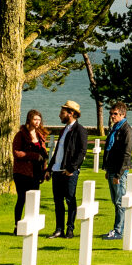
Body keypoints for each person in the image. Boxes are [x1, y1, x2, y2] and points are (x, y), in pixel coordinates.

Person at [48, 100, 88, 239]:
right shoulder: (63, 130)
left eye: (62, 112)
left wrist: (71, 168)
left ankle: (70, 229)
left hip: (69, 171)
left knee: (70, 199)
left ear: (71, 113)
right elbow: (58, 151)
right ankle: (59, 229)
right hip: (57, 170)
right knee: (58, 201)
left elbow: (82, 151)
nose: (60, 115)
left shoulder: (80, 130)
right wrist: (49, 168)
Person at [101, 102, 132, 240]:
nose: (112, 116)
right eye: (111, 113)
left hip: (119, 171)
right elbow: (109, 149)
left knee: (120, 201)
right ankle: (117, 229)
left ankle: (119, 230)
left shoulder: (126, 130)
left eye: (115, 114)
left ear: (123, 114)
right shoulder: (115, 128)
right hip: (111, 169)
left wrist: (118, 174)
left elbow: (126, 153)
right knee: (115, 201)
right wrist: (107, 169)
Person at [11, 110, 49, 227]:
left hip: (36, 173)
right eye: (35, 119)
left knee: (33, 200)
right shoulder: (21, 135)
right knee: (22, 199)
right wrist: (34, 156)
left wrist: (45, 170)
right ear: (29, 120)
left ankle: (31, 224)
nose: (37, 122)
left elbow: (43, 154)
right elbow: (16, 153)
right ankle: (18, 226)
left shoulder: (40, 136)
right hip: (22, 173)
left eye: (39, 119)